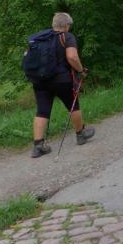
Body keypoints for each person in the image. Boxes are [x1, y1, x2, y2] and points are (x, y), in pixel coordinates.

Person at [30, 12, 95, 158]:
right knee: (73, 105)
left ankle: (38, 146)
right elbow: (72, 57)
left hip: (40, 80)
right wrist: (81, 70)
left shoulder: (40, 38)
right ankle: (80, 134)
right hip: (61, 79)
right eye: (69, 25)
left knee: (42, 111)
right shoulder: (67, 37)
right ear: (66, 25)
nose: (69, 27)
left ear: (54, 24)